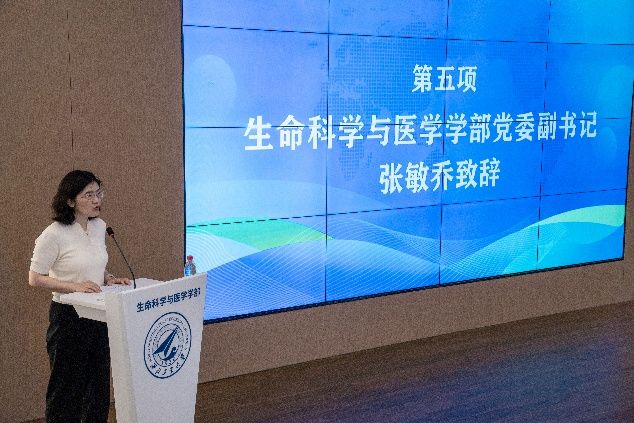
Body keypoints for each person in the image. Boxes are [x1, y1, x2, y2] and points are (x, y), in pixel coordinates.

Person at [28, 170, 130, 423]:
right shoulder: (53, 233)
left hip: (99, 313)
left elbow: (92, 263)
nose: (96, 200)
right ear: (70, 201)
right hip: (68, 317)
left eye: (98, 193)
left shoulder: (99, 227)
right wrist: (74, 287)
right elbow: (35, 277)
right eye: (88, 195)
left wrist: (108, 277)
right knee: (67, 388)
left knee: (98, 385)